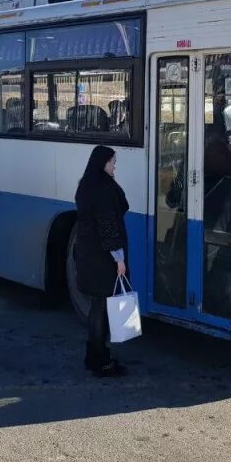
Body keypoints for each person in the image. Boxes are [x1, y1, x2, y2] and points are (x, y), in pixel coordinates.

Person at [74, 146, 129, 377]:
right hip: (103, 258)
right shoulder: (104, 189)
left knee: (98, 306)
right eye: (111, 162)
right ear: (102, 164)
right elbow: (108, 227)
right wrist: (119, 259)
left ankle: (93, 356)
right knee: (101, 308)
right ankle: (101, 360)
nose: (114, 166)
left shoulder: (86, 185)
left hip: (88, 255)